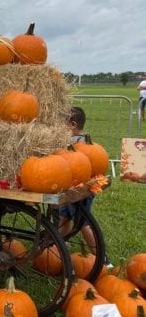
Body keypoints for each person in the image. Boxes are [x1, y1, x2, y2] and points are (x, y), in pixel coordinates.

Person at [58, 107, 111, 266]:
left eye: (61, 124)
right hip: (72, 189)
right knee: (65, 216)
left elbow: (79, 166)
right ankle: (59, 244)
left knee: (82, 222)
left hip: (81, 189)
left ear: (72, 125)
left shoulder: (78, 144)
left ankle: (102, 257)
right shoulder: (81, 141)